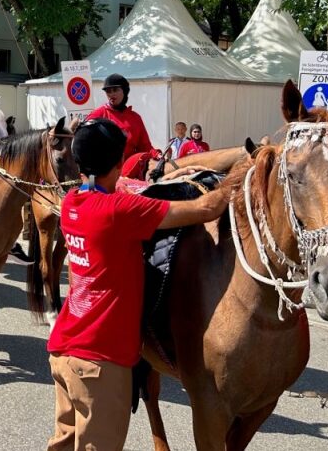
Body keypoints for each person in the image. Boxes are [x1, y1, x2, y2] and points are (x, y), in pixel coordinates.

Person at [46, 119, 229, 451]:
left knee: (62, 445)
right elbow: (208, 207)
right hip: (99, 362)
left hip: (63, 349)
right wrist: (245, 172)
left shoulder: (71, 202)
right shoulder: (120, 210)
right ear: (118, 162)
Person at [85, 73, 152, 162]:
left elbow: (145, 147)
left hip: (131, 169)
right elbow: (83, 142)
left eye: (115, 90)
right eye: (108, 91)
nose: (112, 94)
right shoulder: (97, 115)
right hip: (105, 170)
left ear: (124, 91)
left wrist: (157, 154)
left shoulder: (136, 118)